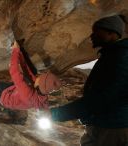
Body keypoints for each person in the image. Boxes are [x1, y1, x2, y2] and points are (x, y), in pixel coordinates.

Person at [50, 15, 128, 146]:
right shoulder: (112, 54)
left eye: (97, 31)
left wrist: (58, 114)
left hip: (110, 128)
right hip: (108, 124)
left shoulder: (120, 57)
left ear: (111, 32)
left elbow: (102, 98)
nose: (92, 36)